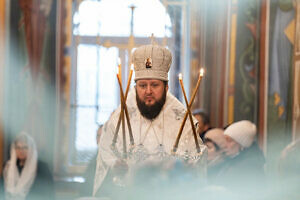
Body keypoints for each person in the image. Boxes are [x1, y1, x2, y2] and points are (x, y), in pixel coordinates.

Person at [93, 44, 206, 198]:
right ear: (135, 87)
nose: (148, 91)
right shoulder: (119, 119)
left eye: (154, 85)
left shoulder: (182, 121)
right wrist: (115, 164)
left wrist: (189, 164)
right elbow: (106, 153)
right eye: (142, 85)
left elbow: (197, 156)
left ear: (166, 88)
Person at [2, 132, 54, 200]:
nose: (21, 151)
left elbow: (49, 194)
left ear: (31, 149)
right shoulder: (8, 167)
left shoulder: (42, 168)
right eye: (18, 147)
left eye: (25, 147)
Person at [219, 120, 265, 196]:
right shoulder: (234, 161)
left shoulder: (248, 168)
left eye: (229, 141)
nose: (224, 145)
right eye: (225, 140)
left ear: (242, 144)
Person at [81, 125, 103, 196]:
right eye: (97, 136)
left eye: (102, 136)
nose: (99, 139)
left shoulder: (114, 161)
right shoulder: (95, 159)